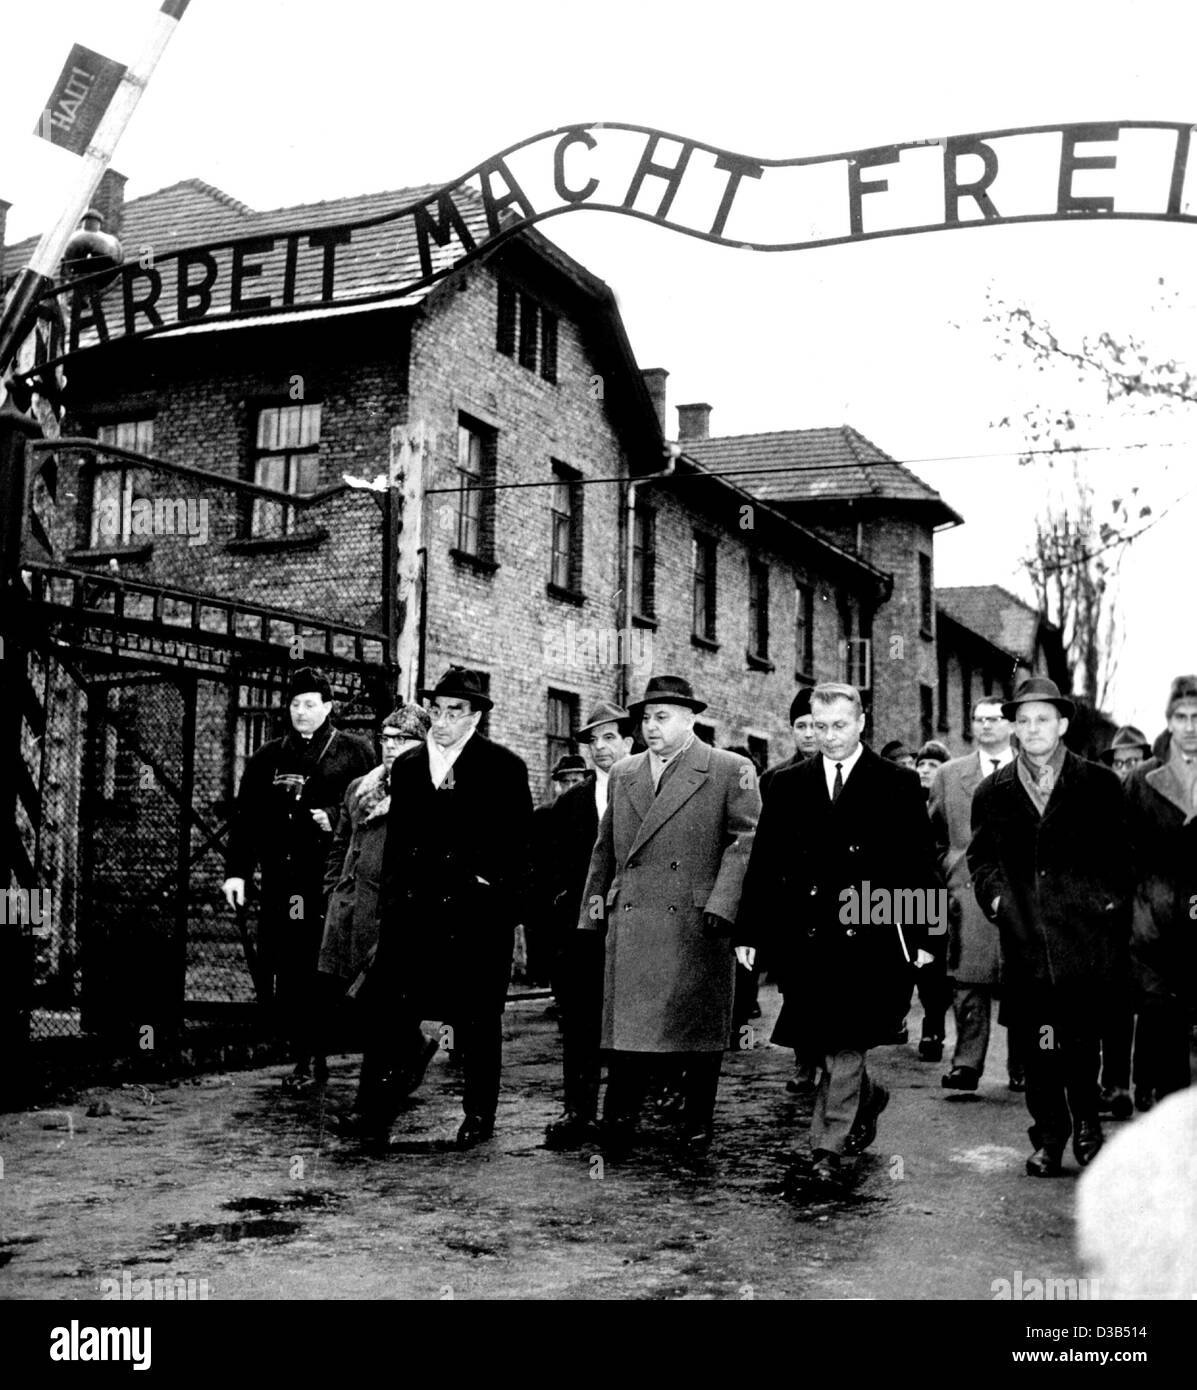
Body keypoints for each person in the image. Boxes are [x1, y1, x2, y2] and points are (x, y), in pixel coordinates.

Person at [737, 682, 939, 1187]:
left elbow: (919, 866)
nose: (829, 737)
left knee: (847, 1045)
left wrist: (927, 938)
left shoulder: (895, 782)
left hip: (870, 936)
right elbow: (765, 864)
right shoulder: (785, 785)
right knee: (825, 1044)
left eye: (840, 726)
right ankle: (868, 1098)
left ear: (862, 722)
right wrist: (751, 931)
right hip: (808, 939)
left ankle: (824, 1148)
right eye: (820, 726)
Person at [349, 667, 533, 1148]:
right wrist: (390, 904)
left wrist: (493, 895)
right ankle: (371, 1114)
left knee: (477, 1018)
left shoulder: (503, 768)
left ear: (474, 717)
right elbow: (397, 846)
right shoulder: (409, 767)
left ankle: (478, 1116)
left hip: (474, 919)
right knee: (389, 1013)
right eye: (437, 709)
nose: (443, 720)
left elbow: (519, 850)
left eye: (455, 711)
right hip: (412, 915)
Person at [578, 674, 760, 1153]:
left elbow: (745, 843)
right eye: (645, 718)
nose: (650, 727)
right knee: (627, 1029)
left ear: (691, 719)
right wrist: (592, 912)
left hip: (696, 920)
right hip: (633, 915)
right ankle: (619, 1118)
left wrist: (724, 904)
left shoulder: (728, 768)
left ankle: (696, 1120)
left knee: (696, 1029)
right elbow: (605, 850)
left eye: (662, 717)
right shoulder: (625, 772)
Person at [968, 677, 1134, 1177]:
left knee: (1081, 1042)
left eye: (1043, 719)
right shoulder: (994, 792)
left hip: (1085, 944)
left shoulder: (1099, 784)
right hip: (1025, 945)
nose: (1032, 728)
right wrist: (996, 897)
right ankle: (1049, 1134)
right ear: (1012, 728)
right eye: (1022, 720)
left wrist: (1103, 907)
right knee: (1040, 1044)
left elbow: (1123, 861)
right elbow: (981, 861)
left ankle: (1087, 1122)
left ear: (1062, 724)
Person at [223, 667, 374, 1087]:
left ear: (328, 707)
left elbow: (375, 805)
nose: (302, 712)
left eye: (311, 704)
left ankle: (329, 1053)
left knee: (327, 967)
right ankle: (303, 1057)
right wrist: (236, 873)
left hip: (332, 880)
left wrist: (332, 817)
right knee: (290, 968)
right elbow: (246, 819)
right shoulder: (267, 758)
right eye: (295, 704)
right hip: (283, 881)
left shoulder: (355, 752)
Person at [320, 704, 435, 1117]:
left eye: (402, 740)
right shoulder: (360, 787)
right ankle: (413, 1052)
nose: (391, 748)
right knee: (358, 1001)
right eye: (386, 739)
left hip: (390, 913)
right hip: (350, 909)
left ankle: (374, 1106)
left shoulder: (425, 789)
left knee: (380, 1005)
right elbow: (340, 842)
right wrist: (332, 889)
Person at [542, 701, 634, 1149]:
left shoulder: (647, 793)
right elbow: (549, 871)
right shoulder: (571, 804)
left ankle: (620, 1114)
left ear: (630, 742)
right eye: (593, 740)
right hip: (581, 935)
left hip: (632, 931)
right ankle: (577, 1109)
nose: (600, 749)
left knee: (628, 1024)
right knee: (579, 1021)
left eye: (610, 738)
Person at [928, 697, 1019, 1092]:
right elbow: (930, 835)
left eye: (994, 719)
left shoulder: (1035, 770)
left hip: (1022, 893)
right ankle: (966, 1063)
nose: (985, 726)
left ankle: (1024, 1064)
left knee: (1024, 981)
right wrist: (948, 868)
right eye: (978, 720)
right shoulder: (950, 775)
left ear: (1012, 725)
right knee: (968, 980)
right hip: (967, 889)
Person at [1123, 675, 1197, 1111]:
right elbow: (1124, 850)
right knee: (1160, 1013)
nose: (1190, 726)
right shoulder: (1142, 781)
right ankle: (1163, 1097)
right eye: (1181, 717)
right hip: (1156, 917)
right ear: (1169, 721)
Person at [527, 754, 592, 986]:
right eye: (565, 781)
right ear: (556, 784)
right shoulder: (543, 815)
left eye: (577, 781)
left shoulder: (595, 812)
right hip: (551, 898)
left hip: (585, 897)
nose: (571, 787)